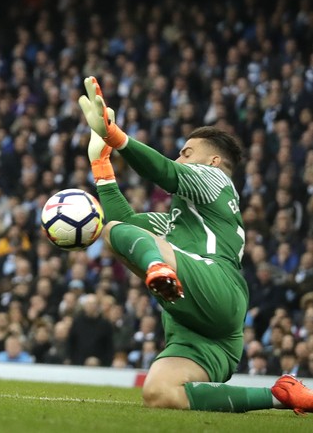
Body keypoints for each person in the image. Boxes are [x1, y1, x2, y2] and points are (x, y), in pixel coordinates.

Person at [78, 75, 313, 413]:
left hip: (215, 285)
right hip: (208, 334)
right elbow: (125, 226)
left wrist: (115, 137)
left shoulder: (216, 181)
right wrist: (101, 165)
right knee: (160, 393)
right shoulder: (179, 220)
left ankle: (157, 267)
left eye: (187, 152)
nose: (180, 158)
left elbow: (165, 173)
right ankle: (282, 396)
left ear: (213, 161)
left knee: (117, 233)